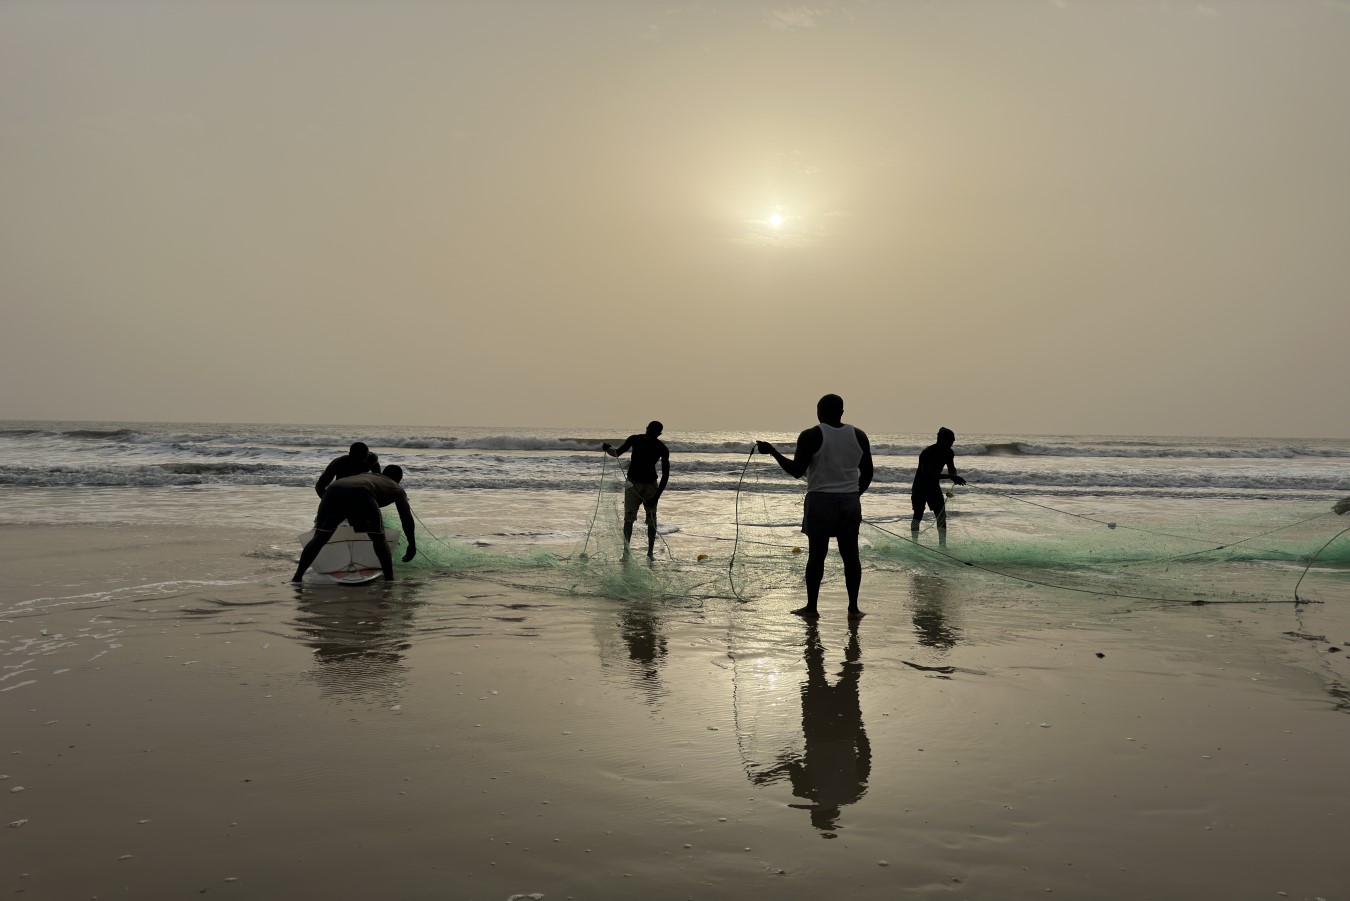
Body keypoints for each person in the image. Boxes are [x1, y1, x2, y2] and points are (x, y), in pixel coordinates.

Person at [756, 394, 874, 619]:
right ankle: (853, 609)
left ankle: (812, 608)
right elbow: (868, 472)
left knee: (817, 556)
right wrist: (854, 494)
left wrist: (773, 452)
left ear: (819, 412)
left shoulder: (811, 435)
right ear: (841, 412)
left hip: (820, 502)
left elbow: (796, 471)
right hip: (850, 502)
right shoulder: (859, 435)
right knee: (851, 556)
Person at [292, 465, 417, 583]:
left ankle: (297, 578)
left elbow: (350, 505)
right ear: (398, 479)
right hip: (362, 492)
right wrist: (412, 544)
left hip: (333, 489)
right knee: (378, 538)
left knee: (321, 536)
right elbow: (406, 518)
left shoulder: (367, 475)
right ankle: (389, 580)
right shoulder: (396, 488)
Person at [602, 421, 670, 559]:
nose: (651, 435)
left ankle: (650, 553)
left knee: (651, 520)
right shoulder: (634, 439)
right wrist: (608, 449)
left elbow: (666, 475)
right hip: (632, 484)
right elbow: (617, 453)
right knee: (629, 518)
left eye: (654, 433)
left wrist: (656, 497)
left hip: (651, 486)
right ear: (647, 429)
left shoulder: (661, 448)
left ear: (659, 434)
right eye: (650, 431)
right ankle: (626, 553)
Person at [911, 427, 966, 532]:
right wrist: (950, 477)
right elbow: (927, 474)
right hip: (920, 487)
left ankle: (942, 542)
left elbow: (951, 468)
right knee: (917, 516)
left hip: (933, 487)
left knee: (941, 516)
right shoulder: (927, 452)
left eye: (952, 441)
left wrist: (954, 476)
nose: (951, 444)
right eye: (950, 441)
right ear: (941, 440)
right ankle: (914, 540)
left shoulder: (949, 452)